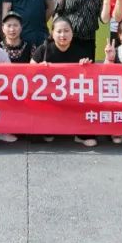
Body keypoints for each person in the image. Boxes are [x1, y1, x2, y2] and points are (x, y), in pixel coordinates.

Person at [32, 17, 95, 147]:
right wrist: (38, 69)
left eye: (66, 31)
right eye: (59, 31)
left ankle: (80, 135)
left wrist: (86, 67)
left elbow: (90, 79)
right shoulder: (43, 50)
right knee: (45, 132)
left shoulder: (81, 51)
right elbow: (28, 73)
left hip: (73, 95)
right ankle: (48, 130)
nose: (63, 35)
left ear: (72, 33)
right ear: (52, 33)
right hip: (49, 96)